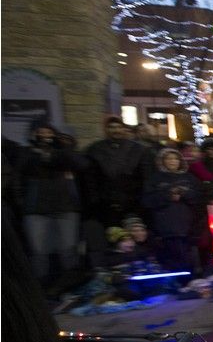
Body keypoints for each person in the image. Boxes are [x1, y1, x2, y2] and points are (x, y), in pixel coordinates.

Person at [19, 119, 88, 284]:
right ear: (33, 134)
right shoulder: (26, 153)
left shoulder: (62, 153)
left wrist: (61, 149)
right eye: (40, 133)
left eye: (49, 132)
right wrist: (22, 204)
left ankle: (71, 285)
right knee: (39, 252)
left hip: (66, 208)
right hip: (36, 210)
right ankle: (42, 288)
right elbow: (18, 178)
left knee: (68, 250)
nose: (45, 136)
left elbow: (82, 165)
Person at [84, 116, 153, 227]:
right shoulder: (94, 149)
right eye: (111, 127)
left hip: (133, 204)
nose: (116, 130)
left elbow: (147, 177)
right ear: (106, 129)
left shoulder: (138, 149)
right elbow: (90, 179)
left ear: (123, 129)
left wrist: (142, 200)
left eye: (119, 127)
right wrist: (95, 200)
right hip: (105, 205)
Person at [141, 148, 202, 271]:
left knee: (188, 263)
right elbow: (147, 201)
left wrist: (184, 194)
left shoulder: (189, 178)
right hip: (165, 229)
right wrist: (168, 196)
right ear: (162, 161)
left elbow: (199, 197)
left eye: (175, 158)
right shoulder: (155, 179)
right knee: (169, 264)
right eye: (168, 158)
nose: (172, 161)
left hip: (187, 228)